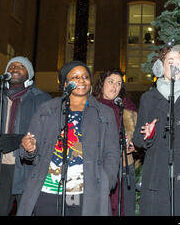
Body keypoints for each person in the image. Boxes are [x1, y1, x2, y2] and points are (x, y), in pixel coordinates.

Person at [17, 61, 120, 216]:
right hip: (48, 190)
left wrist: (106, 180)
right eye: (75, 77)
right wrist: (29, 148)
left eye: (85, 77)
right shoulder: (48, 109)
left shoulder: (104, 113)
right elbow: (30, 148)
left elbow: (112, 152)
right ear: (65, 83)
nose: (81, 80)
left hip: (80, 191)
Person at [132, 47, 180, 216]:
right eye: (170, 62)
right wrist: (148, 134)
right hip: (157, 176)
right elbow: (138, 140)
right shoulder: (148, 99)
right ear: (160, 67)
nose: (176, 66)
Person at [0, 56, 51, 215]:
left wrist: (19, 139)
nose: (14, 69)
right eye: (11, 66)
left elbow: (48, 135)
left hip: (27, 169)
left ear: (29, 73)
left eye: (20, 66)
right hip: (2, 169)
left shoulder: (42, 99)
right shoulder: (0, 95)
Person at [93, 69, 137, 216]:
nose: (115, 86)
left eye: (118, 83)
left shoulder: (127, 107)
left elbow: (139, 135)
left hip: (124, 166)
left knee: (124, 208)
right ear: (102, 84)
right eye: (111, 82)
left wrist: (135, 145)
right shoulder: (91, 107)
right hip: (98, 167)